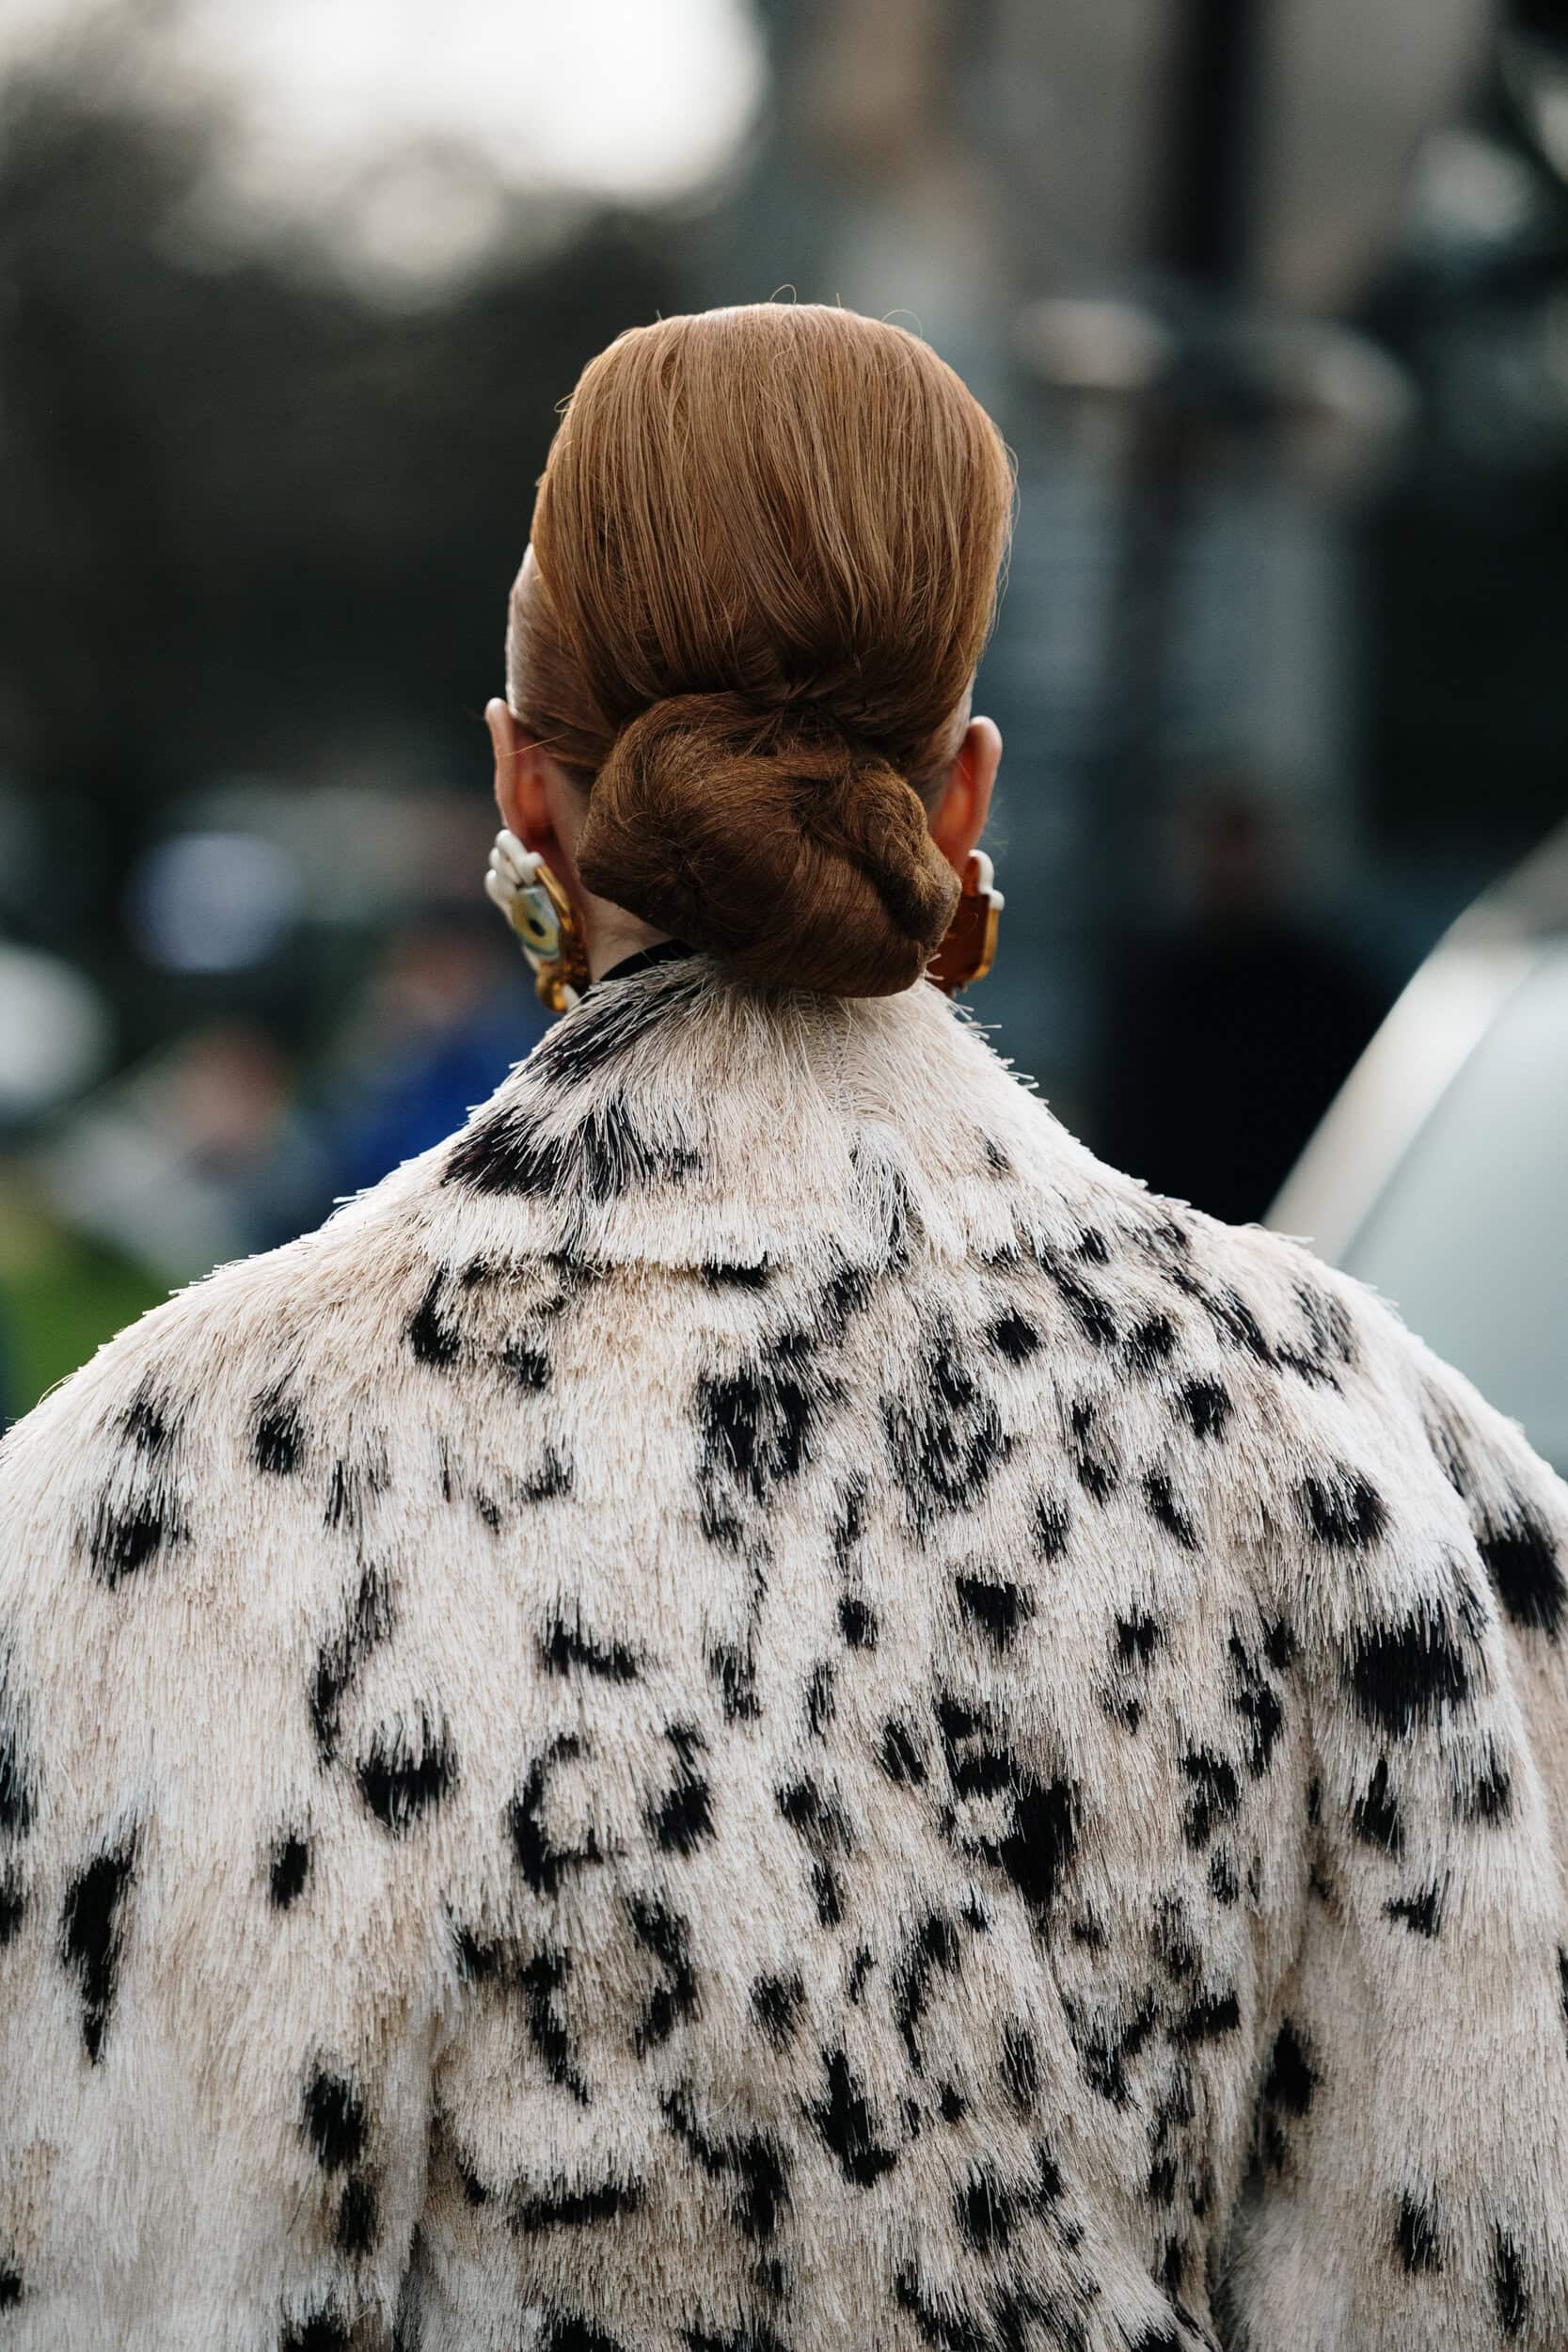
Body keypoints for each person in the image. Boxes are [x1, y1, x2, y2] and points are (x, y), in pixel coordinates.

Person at [0, 304, 1564, 2352]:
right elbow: (1472, 2258)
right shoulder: (1364, 1462)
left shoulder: (165, 1485)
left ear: (523, 790)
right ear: (963, 793)